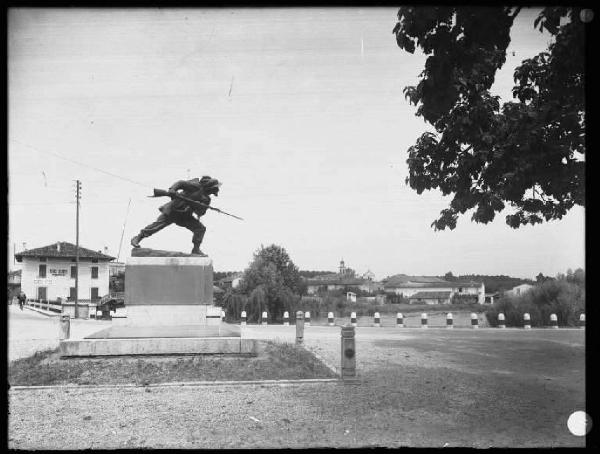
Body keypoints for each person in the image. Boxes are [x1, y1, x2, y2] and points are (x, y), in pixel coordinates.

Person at [131, 176, 221, 256]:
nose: (214, 192)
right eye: (214, 189)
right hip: (173, 210)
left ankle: (196, 249)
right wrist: (172, 189)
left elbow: (200, 213)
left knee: (200, 229)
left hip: (185, 216)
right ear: (209, 187)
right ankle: (138, 238)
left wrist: (200, 207)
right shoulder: (196, 186)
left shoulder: (206, 199)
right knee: (156, 226)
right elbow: (180, 183)